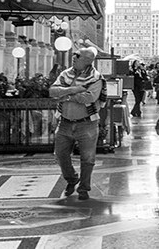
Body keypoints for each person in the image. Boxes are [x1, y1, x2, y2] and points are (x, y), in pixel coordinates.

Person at [49, 46, 106, 201]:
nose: (74, 57)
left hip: (87, 124)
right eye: (74, 55)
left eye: (78, 56)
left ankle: (84, 188)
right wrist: (75, 89)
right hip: (64, 123)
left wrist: (65, 94)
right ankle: (72, 179)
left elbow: (89, 98)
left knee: (88, 158)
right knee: (60, 155)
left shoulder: (96, 78)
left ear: (88, 61)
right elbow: (52, 91)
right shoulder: (65, 74)